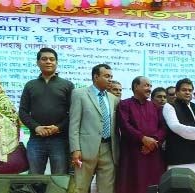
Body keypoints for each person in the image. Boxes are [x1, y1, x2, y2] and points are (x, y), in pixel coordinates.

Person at [19, 48, 74, 174]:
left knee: (59, 179)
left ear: (56, 62)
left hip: (60, 140)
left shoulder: (67, 85)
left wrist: (58, 128)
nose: (48, 62)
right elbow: (23, 112)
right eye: (44, 59)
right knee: (34, 178)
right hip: (35, 139)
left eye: (52, 59)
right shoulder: (30, 85)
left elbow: (73, 113)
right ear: (38, 63)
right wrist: (36, 128)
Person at [69, 64, 120, 193]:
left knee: (107, 188)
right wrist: (75, 149)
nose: (110, 79)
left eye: (111, 77)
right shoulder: (79, 94)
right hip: (85, 150)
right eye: (106, 76)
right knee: (80, 187)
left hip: (108, 148)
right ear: (95, 77)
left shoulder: (114, 99)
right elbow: (74, 124)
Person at [116, 76, 166, 193]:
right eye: (146, 85)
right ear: (136, 87)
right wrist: (143, 138)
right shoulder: (124, 104)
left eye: (150, 86)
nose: (149, 89)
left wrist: (153, 141)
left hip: (153, 154)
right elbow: (124, 126)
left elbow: (163, 128)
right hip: (132, 154)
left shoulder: (155, 107)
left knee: (154, 186)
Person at [162, 78, 195, 186]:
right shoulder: (169, 106)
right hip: (179, 155)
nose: (187, 92)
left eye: (189, 90)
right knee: (179, 186)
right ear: (177, 92)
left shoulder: (193, 106)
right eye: (184, 90)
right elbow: (175, 127)